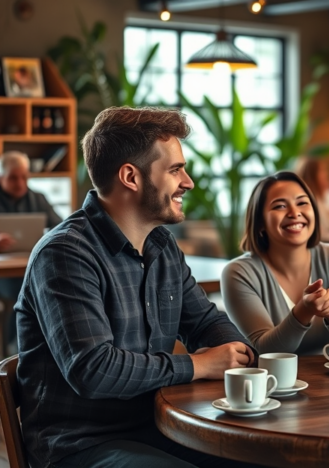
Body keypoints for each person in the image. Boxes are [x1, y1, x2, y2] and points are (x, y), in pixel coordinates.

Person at [15, 107, 258, 468]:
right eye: (175, 170)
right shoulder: (65, 253)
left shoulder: (161, 245)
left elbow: (204, 320)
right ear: (131, 176)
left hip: (159, 426)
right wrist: (197, 365)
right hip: (78, 445)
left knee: (265, 457)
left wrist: (241, 354)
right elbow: (94, 371)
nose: (188, 182)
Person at [222, 171, 329, 355]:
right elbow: (263, 350)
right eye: (280, 206)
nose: (294, 213)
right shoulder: (239, 272)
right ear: (260, 222)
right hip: (274, 382)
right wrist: (303, 311)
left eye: (302, 203)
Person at [0, 150, 62, 354]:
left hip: (31, 265)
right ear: (2, 177)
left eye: (24, 177)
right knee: (23, 289)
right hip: (6, 273)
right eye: (13, 178)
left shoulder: (38, 198)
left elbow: (61, 227)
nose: (20, 183)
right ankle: (14, 348)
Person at [295, 156, 329, 232]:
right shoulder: (308, 203)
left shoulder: (320, 199)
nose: (327, 174)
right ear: (311, 176)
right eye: (322, 170)